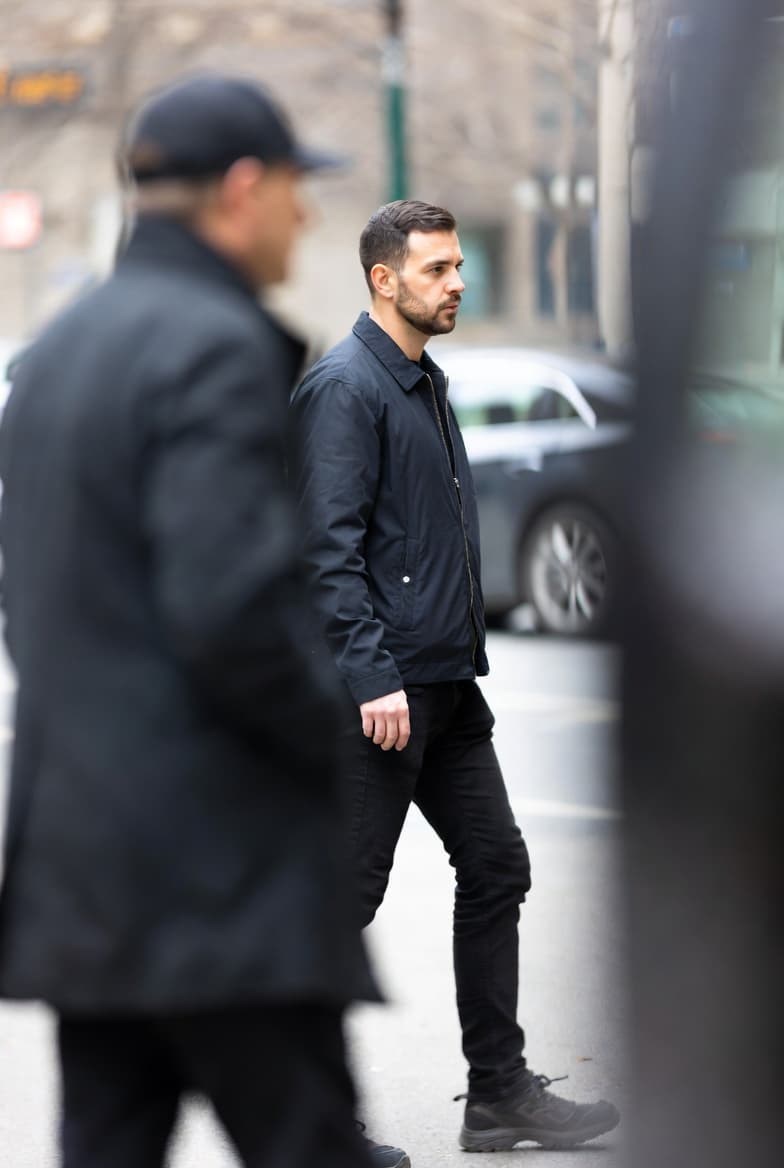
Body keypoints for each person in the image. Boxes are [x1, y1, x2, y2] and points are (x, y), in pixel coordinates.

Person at [0, 74, 381, 1168]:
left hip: (85, 869)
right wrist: (326, 726)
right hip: (221, 879)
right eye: (297, 189)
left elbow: (34, 606)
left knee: (107, 1144)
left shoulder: (55, 354)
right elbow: (230, 609)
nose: (305, 216)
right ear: (243, 190)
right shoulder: (215, 346)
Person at [289, 199, 621, 1153]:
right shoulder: (346, 388)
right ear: (383, 278)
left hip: (444, 686)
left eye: (460, 266)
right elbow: (325, 552)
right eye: (437, 269)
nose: (458, 283)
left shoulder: (422, 382)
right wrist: (369, 676)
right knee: (343, 902)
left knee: (496, 865)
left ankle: (499, 1093)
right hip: (379, 697)